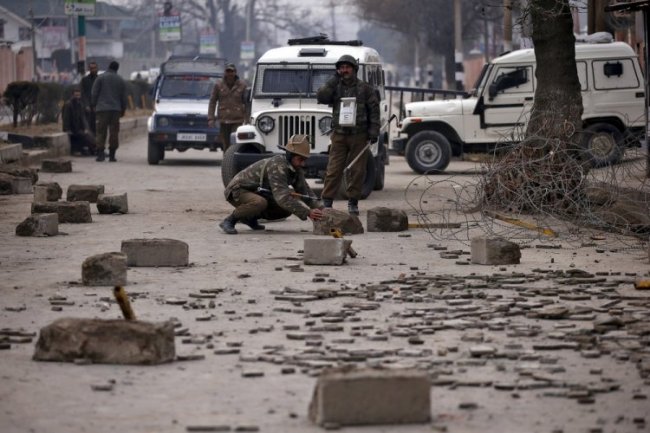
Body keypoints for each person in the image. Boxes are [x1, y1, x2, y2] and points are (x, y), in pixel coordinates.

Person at [219, 134, 324, 235]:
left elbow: (306, 192)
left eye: (304, 160)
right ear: (290, 155)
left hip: (256, 192)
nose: (302, 163)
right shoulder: (278, 165)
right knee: (260, 202)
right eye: (300, 159)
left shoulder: (295, 169)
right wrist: (308, 212)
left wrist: (322, 209)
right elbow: (283, 198)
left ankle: (249, 217)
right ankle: (229, 221)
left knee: (285, 210)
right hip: (237, 190)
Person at [316, 54, 380, 216]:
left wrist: (373, 132)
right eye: (341, 67)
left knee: (357, 171)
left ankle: (353, 203)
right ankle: (327, 201)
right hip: (339, 135)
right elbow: (321, 96)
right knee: (333, 169)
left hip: (359, 135)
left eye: (347, 67)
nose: (344, 70)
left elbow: (374, 111)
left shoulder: (365, 88)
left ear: (354, 69)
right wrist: (334, 79)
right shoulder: (335, 87)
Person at [91, 60, 127, 162]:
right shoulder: (120, 80)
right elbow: (123, 97)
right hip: (115, 110)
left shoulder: (100, 78)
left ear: (108, 67)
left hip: (102, 109)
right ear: (117, 69)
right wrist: (123, 109)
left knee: (101, 132)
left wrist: (94, 105)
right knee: (114, 132)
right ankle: (112, 155)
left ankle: (100, 154)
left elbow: (94, 93)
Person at [207, 63, 247, 152]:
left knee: (235, 142)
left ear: (235, 72)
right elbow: (213, 102)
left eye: (231, 71)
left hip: (237, 120)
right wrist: (211, 118)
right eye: (228, 71)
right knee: (225, 144)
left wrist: (247, 119)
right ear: (225, 73)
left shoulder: (242, 85)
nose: (230, 74)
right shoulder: (218, 85)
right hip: (223, 119)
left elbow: (247, 103)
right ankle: (226, 161)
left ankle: (233, 160)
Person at [62, 87, 96, 156]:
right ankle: (96, 150)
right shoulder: (68, 105)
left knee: (90, 134)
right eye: (76, 95)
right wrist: (67, 129)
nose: (77, 97)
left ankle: (96, 150)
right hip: (73, 129)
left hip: (80, 128)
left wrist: (86, 128)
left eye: (78, 95)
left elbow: (83, 118)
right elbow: (66, 119)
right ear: (72, 95)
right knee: (86, 137)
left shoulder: (80, 104)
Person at [80, 61, 98, 136]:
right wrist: (86, 105)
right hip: (87, 107)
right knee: (88, 126)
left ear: (97, 69)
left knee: (97, 126)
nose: (93, 70)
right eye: (91, 68)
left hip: (97, 107)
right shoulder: (85, 80)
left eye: (94, 68)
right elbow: (82, 93)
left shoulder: (99, 79)